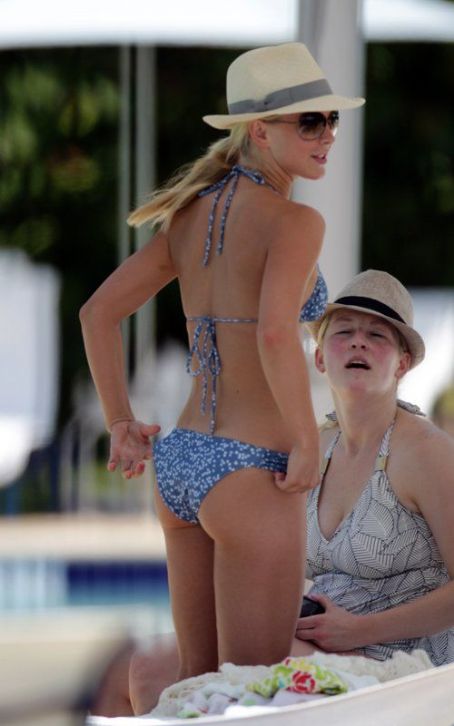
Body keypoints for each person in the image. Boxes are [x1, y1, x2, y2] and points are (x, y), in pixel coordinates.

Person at [80, 40, 364, 690]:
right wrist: (305, 440)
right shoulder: (295, 221)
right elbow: (274, 333)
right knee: (252, 691)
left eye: (331, 119)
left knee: (198, 686)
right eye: (310, 121)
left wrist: (121, 422)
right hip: (251, 468)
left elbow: (97, 314)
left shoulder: (189, 214)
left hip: (181, 461)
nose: (328, 135)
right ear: (260, 131)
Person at [90, 270, 454, 717]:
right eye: (344, 332)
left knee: (216, 673)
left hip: (407, 662)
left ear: (402, 364)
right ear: (320, 358)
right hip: (321, 641)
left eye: (377, 335)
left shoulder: (427, 452)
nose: (359, 342)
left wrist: (361, 629)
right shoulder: (312, 448)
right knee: (142, 668)